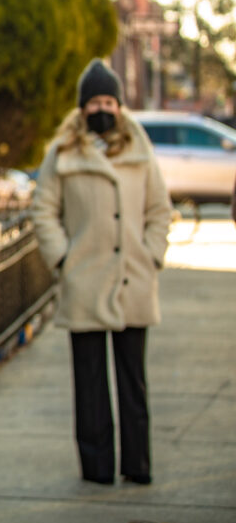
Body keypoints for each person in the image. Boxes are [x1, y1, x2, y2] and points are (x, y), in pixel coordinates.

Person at [31, 59, 172, 486]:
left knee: (134, 383)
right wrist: (63, 260)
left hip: (133, 279)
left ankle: (137, 465)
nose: (103, 109)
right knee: (89, 384)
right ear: (83, 107)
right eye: (95, 102)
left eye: (110, 101)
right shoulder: (63, 153)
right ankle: (96, 470)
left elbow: (160, 210)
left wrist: (151, 254)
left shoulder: (140, 149)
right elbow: (43, 211)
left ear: (121, 105)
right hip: (85, 280)